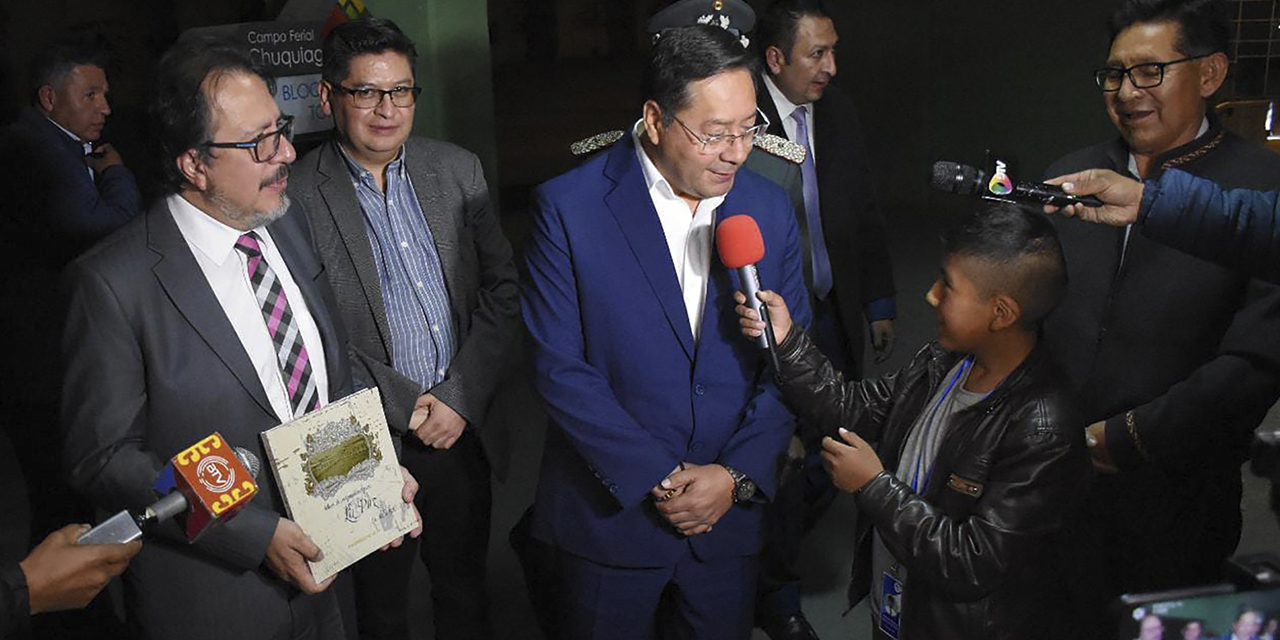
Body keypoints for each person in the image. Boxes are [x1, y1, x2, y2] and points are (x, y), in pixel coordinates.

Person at [59, 37, 418, 640]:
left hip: (333, 582)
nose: (285, 154)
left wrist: (377, 465)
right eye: (259, 143)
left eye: (281, 129)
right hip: (215, 601)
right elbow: (104, 459)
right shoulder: (112, 284)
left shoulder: (288, 219)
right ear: (194, 164)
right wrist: (251, 533)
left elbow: (330, 370)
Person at [521, 24, 811, 639]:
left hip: (726, 524)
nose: (736, 152)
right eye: (714, 134)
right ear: (655, 119)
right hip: (610, 522)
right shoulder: (569, 208)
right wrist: (660, 477)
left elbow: (791, 361)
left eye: (748, 128)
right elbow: (558, 366)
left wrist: (733, 479)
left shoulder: (767, 207)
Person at [735, 203, 1088, 639]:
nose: (931, 295)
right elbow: (853, 409)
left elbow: (971, 563)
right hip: (903, 604)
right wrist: (788, 342)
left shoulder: (1042, 426)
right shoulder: (945, 361)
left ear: (1002, 313)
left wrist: (872, 485)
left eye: (949, 286)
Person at [1040, 0, 1280, 634]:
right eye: (1114, 74)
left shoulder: (1262, 189)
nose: (1126, 92)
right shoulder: (1070, 175)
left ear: (1210, 74)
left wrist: (1125, 439)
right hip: (1049, 483)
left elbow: (1255, 363)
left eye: (1150, 72)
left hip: (1177, 494)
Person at [289, 17, 520, 640]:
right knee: (379, 607)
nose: (387, 109)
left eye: (402, 91)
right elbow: (309, 332)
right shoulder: (294, 198)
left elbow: (503, 289)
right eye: (365, 92)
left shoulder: (457, 171)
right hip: (360, 437)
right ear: (327, 96)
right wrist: (409, 404)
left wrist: (460, 397)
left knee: (465, 589)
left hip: (460, 428)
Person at [751, 2, 899, 635]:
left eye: (834, 51)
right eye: (818, 54)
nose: (832, 68)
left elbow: (862, 212)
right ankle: (772, 595)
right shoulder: (735, 116)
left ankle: (762, 563)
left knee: (831, 447)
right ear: (775, 59)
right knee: (773, 454)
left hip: (832, 312)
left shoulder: (837, 114)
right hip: (763, 324)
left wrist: (879, 302)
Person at [0, 36, 141, 552]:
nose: (105, 107)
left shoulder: (56, 145)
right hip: (38, 364)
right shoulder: (35, 150)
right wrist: (117, 175)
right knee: (60, 496)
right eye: (91, 95)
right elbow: (103, 228)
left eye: (105, 94)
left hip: (46, 355)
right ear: (48, 98)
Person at [1046, 167, 1280, 284]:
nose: (1128, 93)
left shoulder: (1262, 170)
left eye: (1150, 71)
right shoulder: (1072, 164)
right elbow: (1256, 224)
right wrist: (1144, 200)